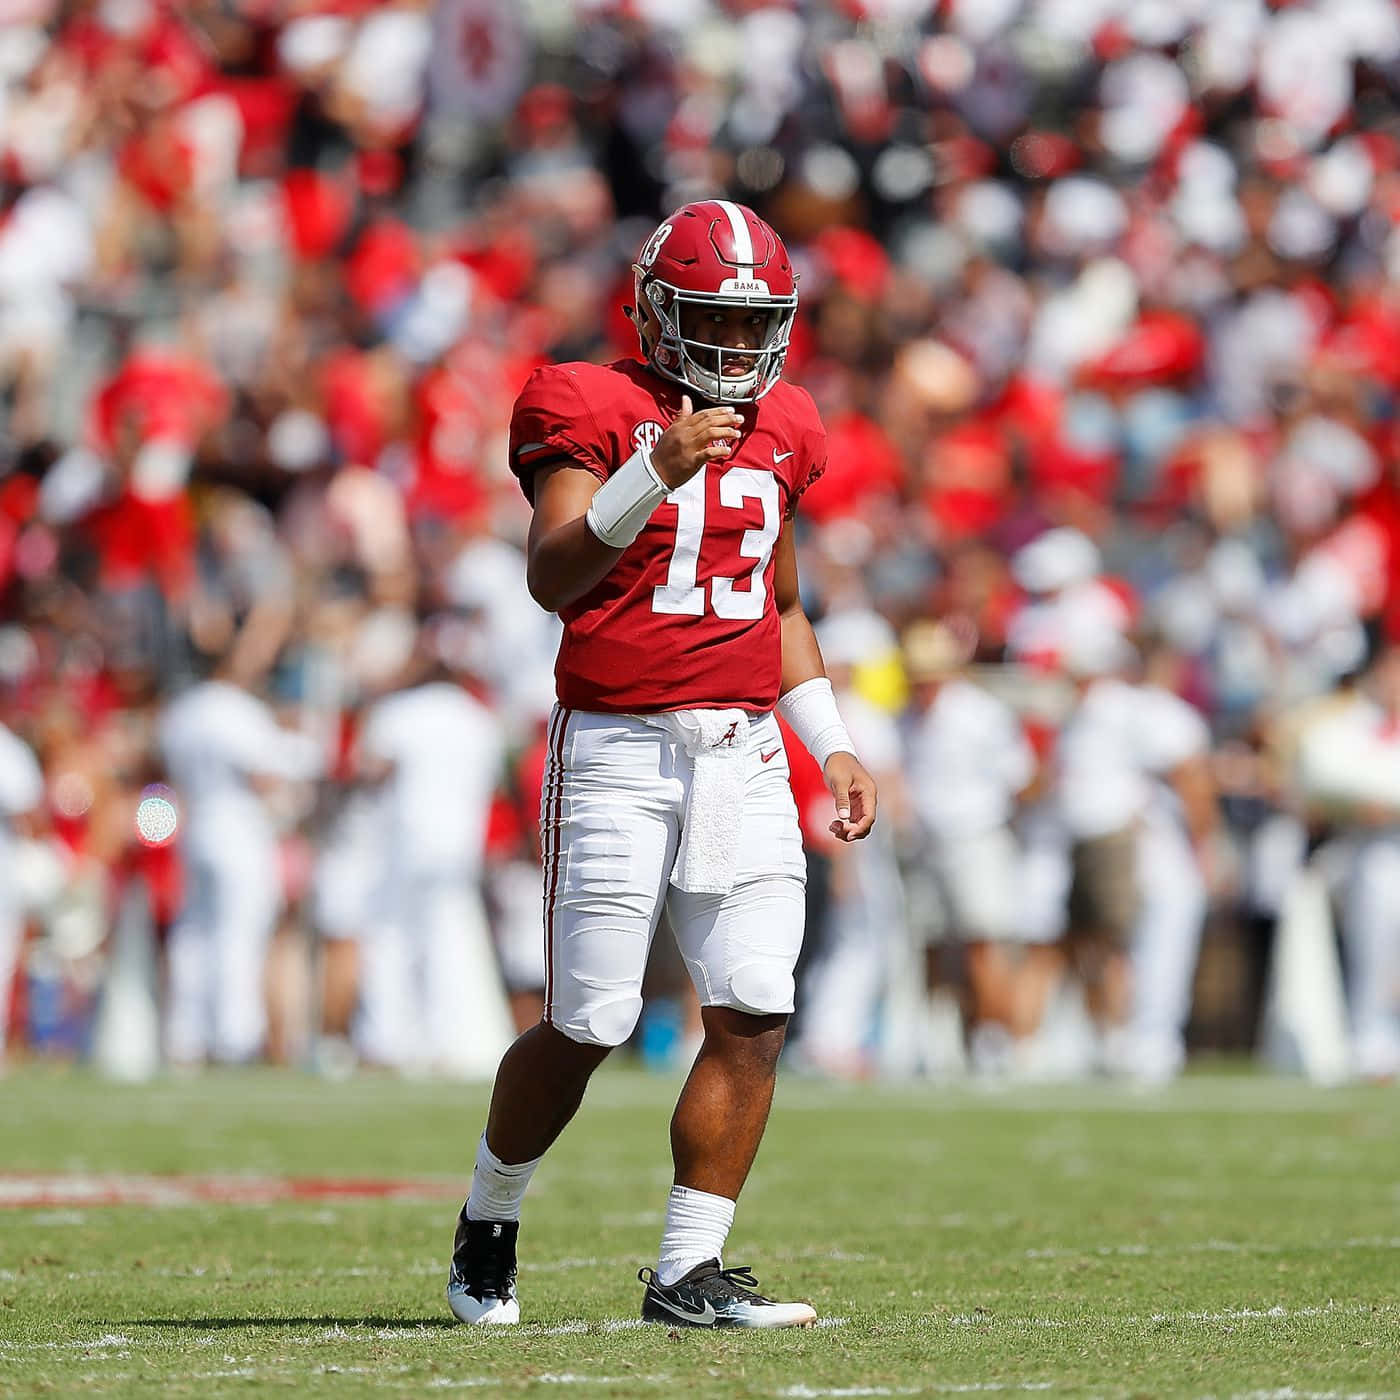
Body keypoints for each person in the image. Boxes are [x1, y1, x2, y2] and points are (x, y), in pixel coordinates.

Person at [445, 200, 877, 1329]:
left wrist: (828, 739)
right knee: (585, 1019)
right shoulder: (587, 401)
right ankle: (491, 1206)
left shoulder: (785, 423)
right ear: (652, 311)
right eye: (713, 324)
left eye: (756, 326)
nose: (738, 352)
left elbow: (779, 603)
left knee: (753, 1006)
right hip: (618, 747)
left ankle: (689, 1268)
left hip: (740, 748)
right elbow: (552, 573)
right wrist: (656, 469)